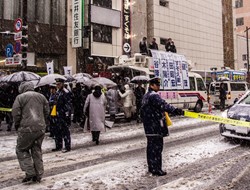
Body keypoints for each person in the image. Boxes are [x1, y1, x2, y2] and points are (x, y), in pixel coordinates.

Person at [140, 77, 184, 176]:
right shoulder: (154, 96)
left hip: (148, 126)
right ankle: (157, 169)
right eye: (157, 85)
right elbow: (164, 105)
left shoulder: (146, 96)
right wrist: (176, 110)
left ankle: (151, 168)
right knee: (157, 148)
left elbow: (142, 111)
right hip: (155, 126)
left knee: (151, 148)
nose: (159, 87)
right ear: (151, 85)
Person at [12, 81, 49, 183]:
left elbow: (16, 113)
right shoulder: (41, 97)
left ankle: (30, 171)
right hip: (40, 128)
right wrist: (42, 121)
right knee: (36, 150)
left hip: (26, 129)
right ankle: (39, 174)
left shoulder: (20, 97)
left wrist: (17, 124)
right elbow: (47, 111)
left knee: (21, 149)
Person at [51, 78, 72, 153]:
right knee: (57, 131)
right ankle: (58, 145)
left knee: (65, 131)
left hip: (62, 114)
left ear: (62, 84)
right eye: (56, 84)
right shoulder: (57, 92)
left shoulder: (65, 92)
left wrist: (66, 114)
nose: (57, 85)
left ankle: (67, 146)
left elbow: (68, 104)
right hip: (57, 114)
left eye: (59, 84)